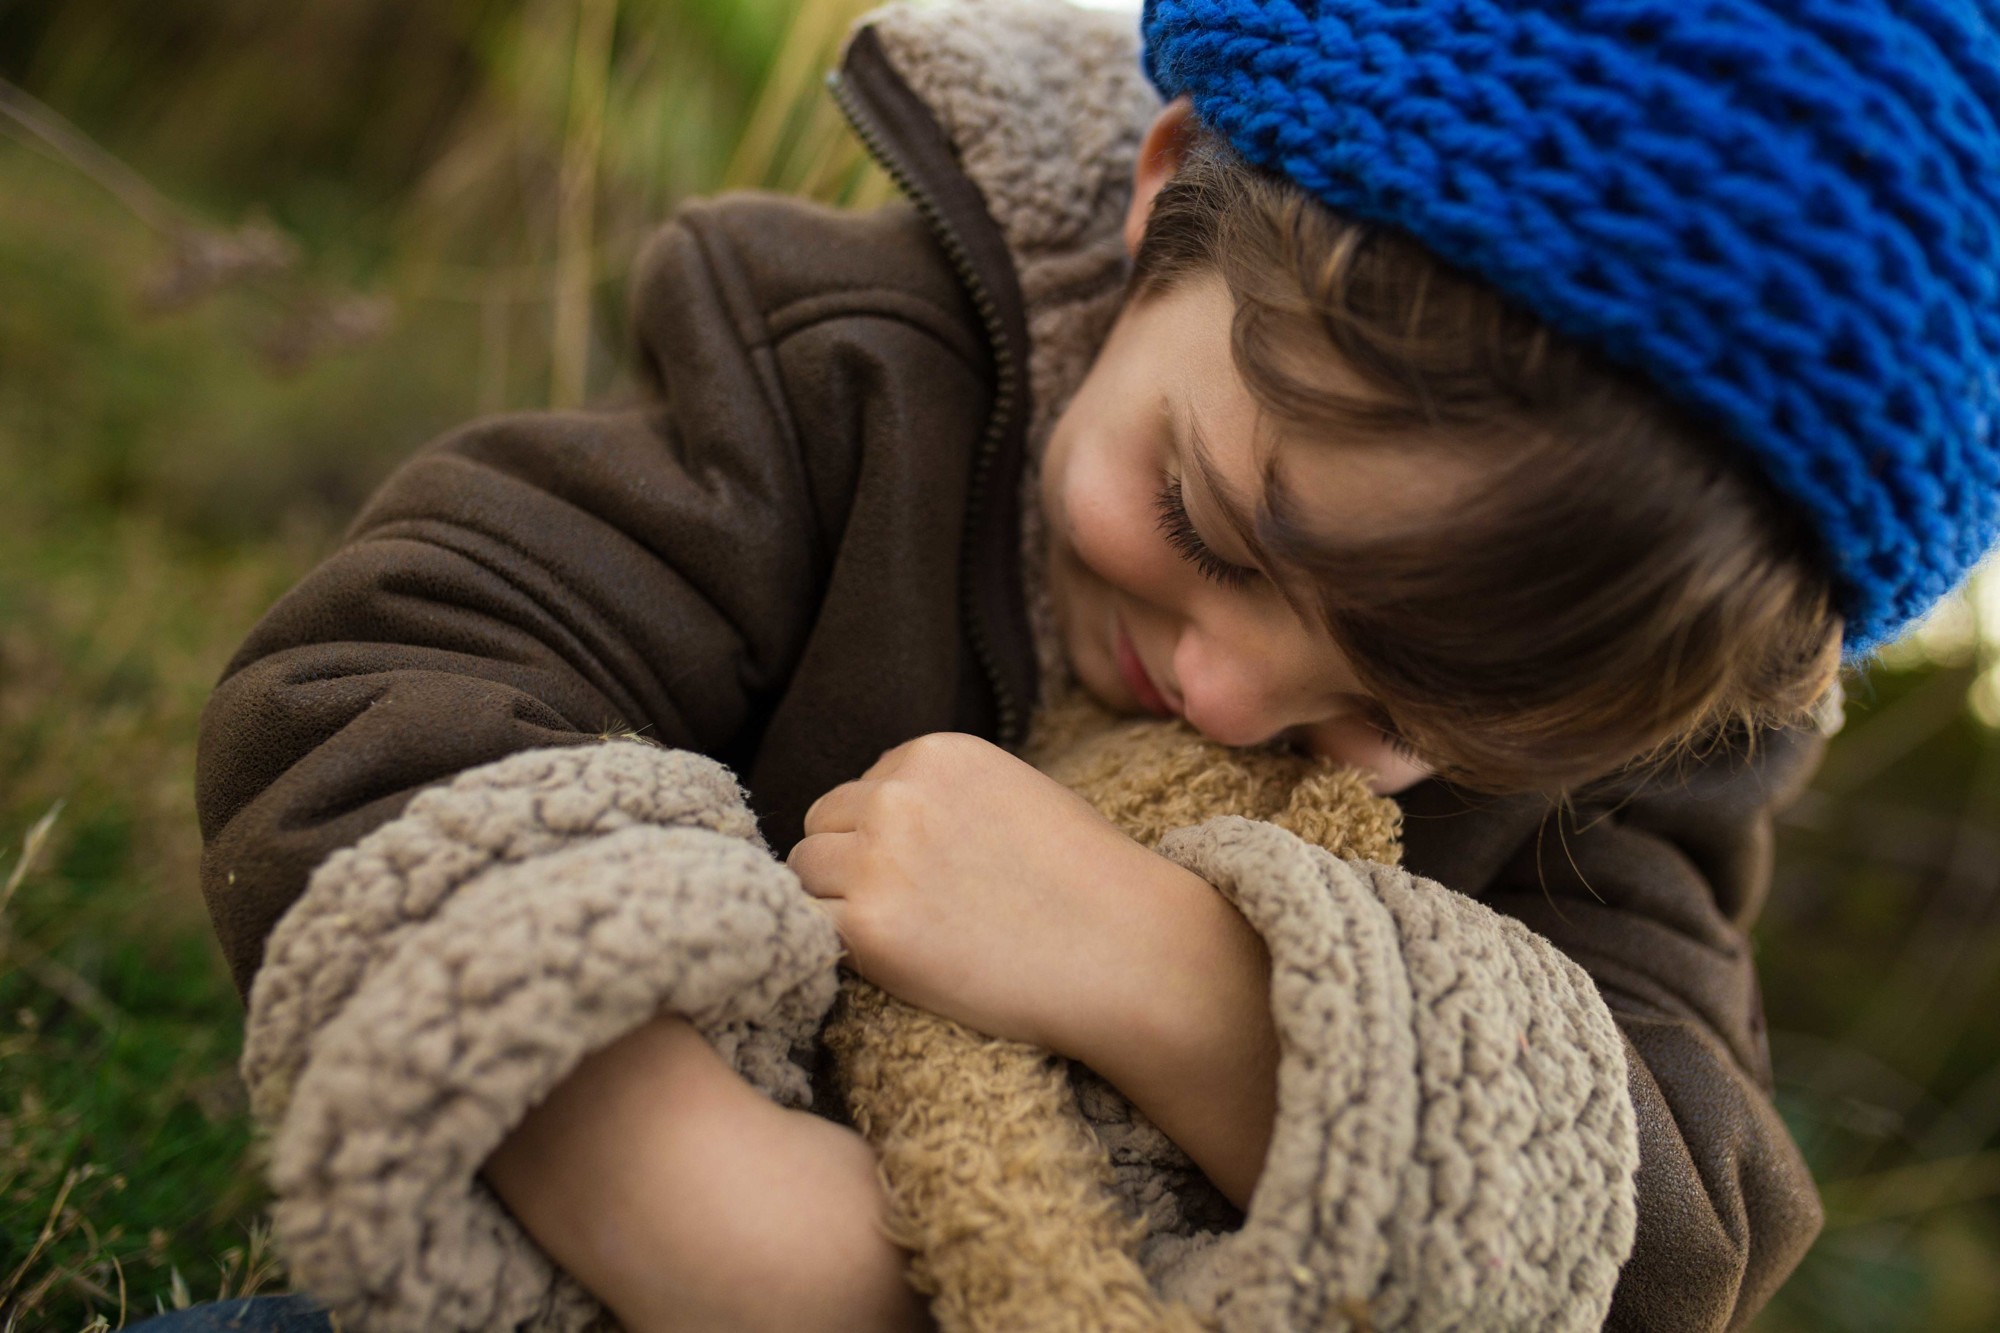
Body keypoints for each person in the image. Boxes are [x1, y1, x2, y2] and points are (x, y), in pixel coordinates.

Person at [157, 0, 1999, 1330]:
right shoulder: (839, 369)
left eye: (1409, 715)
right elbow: (382, 681)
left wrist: (1192, 984)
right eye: (1208, 522)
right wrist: (689, 1194)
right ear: (1167, 186)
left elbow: (1675, 1219)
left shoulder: (1627, 736)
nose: (1227, 689)